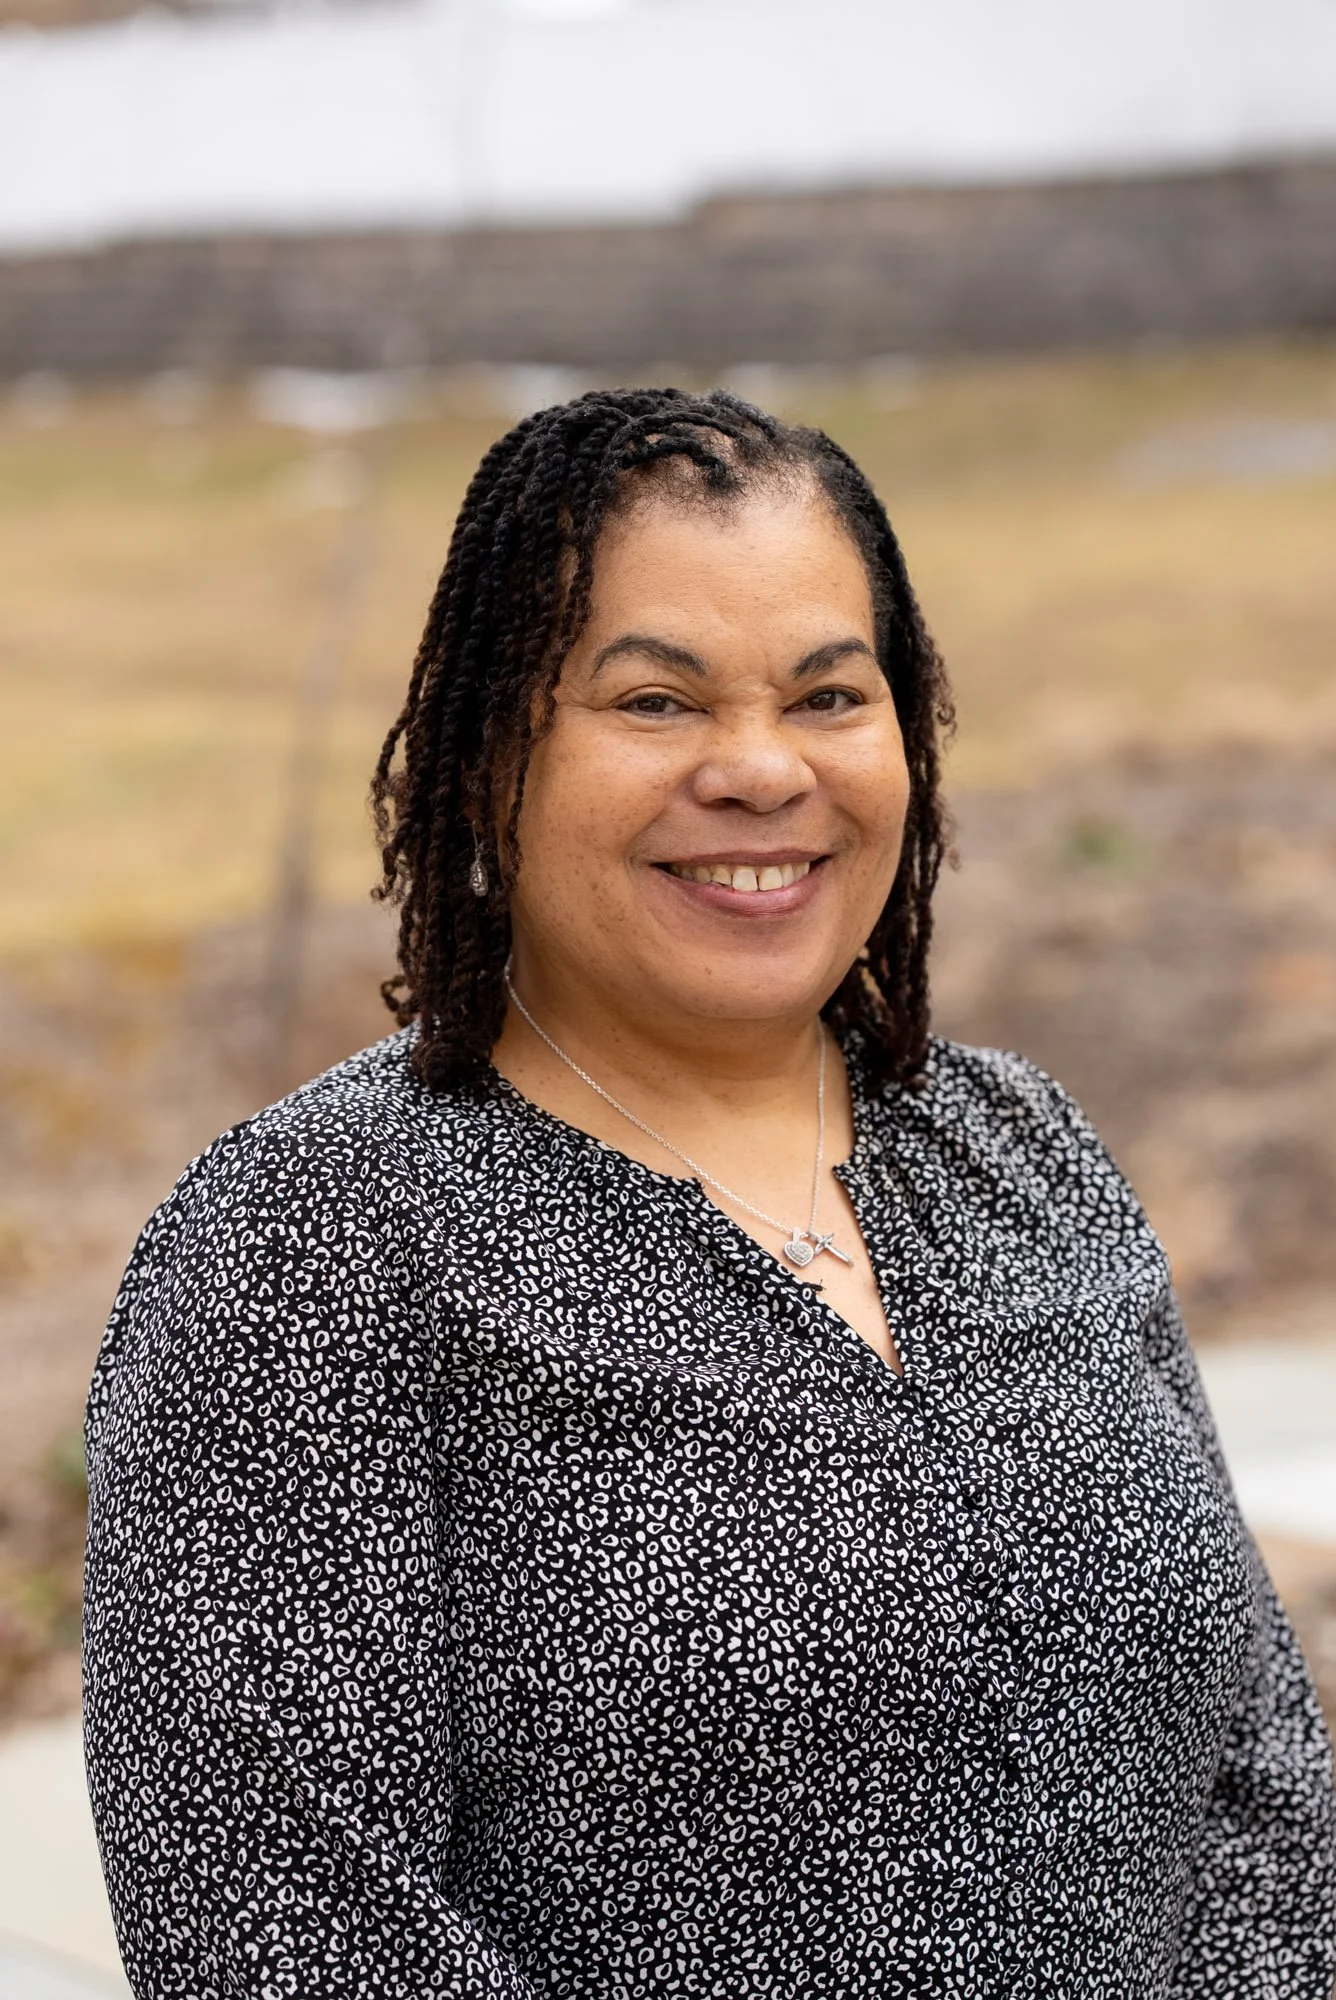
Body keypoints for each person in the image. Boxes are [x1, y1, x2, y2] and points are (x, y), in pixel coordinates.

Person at [83, 388, 1336, 2000]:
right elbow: (282, 1930)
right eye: (658, 702)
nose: (760, 771)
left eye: (828, 693)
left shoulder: (1028, 1152)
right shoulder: (312, 1246)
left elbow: (1264, 1781)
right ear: (487, 758)